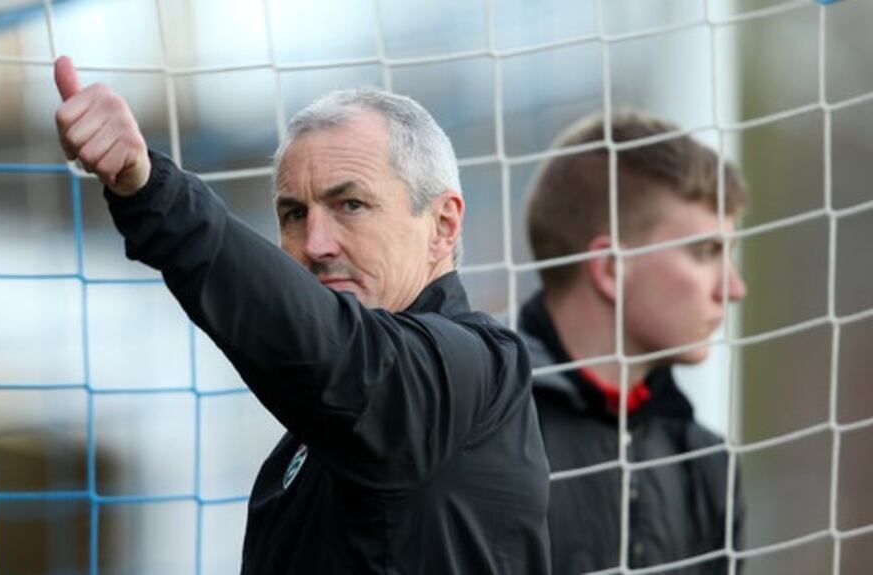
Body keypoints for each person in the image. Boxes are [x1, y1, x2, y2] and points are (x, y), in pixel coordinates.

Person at [52, 56, 551, 574]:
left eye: (350, 205)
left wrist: (153, 192)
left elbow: (336, 351)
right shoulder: (302, 448)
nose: (315, 243)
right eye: (294, 214)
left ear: (443, 226)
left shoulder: (474, 372)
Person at [519, 111, 747, 574]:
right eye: (707, 253)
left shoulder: (707, 466)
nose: (734, 288)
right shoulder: (480, 434)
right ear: (610, 267)